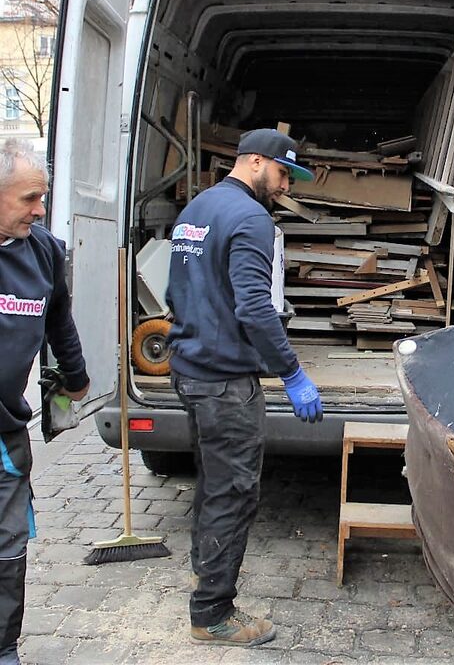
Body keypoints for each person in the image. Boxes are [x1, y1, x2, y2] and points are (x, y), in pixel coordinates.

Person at [166, 127, 324, 648]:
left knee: (212, 484)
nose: (285, 187)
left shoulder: (198, 208)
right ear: (255, 162)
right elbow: (255, 307)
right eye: (282, 174)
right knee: (234, 493)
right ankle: (212, 614)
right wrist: (293, 374)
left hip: (190, 371)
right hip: (225, 383)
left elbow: (178, 289)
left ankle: (204, 576)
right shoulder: (252, 219)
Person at [0, 139, 90, 665]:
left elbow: (59, 319)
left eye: (43, 198)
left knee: (9, 547)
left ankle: (4, 649)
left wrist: (76, 379)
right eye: (29, 198)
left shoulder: (44, 250)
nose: (40, 209)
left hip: (6, 431)